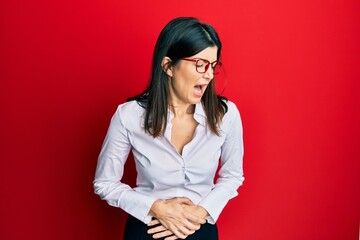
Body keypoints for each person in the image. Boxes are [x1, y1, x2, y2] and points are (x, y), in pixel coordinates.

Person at [93, 17, 244, 240]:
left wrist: (200, 212)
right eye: (200, 64)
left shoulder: (227, 115)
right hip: (147, 227)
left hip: (199, 227)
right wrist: (156, 208)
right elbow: (105, 183)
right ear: (168, 66)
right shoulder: (128, 115)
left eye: (213, 65)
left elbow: (233, 176)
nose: (209, 74)